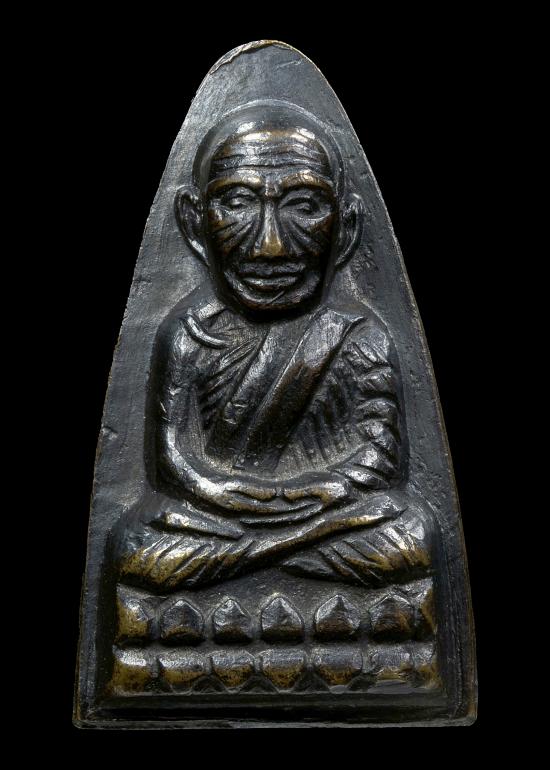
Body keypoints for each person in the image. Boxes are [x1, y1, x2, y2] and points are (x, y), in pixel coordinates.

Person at [112, 104, 434, 591]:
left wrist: (314, 493)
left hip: (325, 515)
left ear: (345, 227)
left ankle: (255, 560)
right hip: (221, 518)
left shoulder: (357, 334)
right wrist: (222, 492)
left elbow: (380, 456)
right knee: (138, 542)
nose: (271, 246)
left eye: (303, 206)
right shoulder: (188, 335)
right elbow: (173, 461)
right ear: (194, 223)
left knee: (408, 533)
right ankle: (274, 555)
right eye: (237, 203)